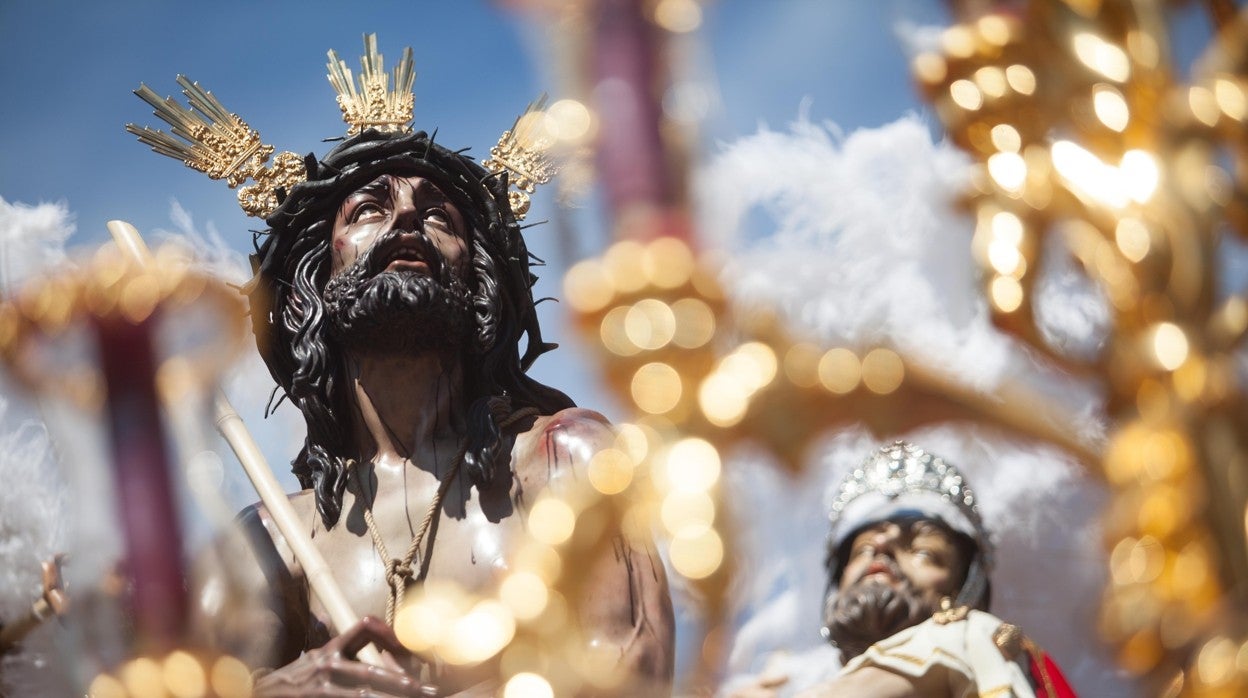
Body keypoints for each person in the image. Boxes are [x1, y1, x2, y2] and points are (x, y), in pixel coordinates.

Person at [131, 39, 675, 697]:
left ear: (478, 279)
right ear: (314, 283)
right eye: (368, 209)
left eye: (440, 214)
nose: (409, 216)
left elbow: (628, 673)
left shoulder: (566, 462)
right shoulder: (269, 541)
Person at [735, 442, 1075, 698]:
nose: (883, 546)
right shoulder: (784, 677)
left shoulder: (978, 642)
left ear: (962, 592)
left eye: (923, 552)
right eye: (863, 549)